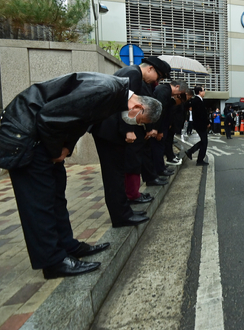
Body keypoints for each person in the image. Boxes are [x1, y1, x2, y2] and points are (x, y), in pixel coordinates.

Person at [0, 72, 162, 279]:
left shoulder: (114, 95)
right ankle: (53, 262)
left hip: (42, 137)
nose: (136, 125)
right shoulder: (107, 91)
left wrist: (66, 148)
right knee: (39, 202)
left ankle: (67, 245)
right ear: (138, 107)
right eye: (140, 121)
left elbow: (78, 121)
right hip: (26, 134)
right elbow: (49, 117)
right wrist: (54, 152)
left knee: (56, 195)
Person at [91, 56, 170, 228]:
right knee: (114, 176)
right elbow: (126, 106)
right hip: (109, 131)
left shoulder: (129, 72)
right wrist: (128, 130)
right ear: (150, 69)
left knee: (118, 174)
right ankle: (121, 217)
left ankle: (125, 212)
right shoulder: (133, 74)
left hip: (108, 130)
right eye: (158, 77)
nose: (157, 81)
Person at [151, 80, 188, 177]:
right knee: (158, 149)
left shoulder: (166, 92)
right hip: (158, 127)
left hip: (162, 126)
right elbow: (160, 112)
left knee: (160, 147)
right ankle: (159, 170)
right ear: (177, 86)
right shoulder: (163, 91)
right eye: (179, 92)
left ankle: (161, 168)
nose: (179, 95)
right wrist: (158, 130)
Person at [185, 86, 211, 165]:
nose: (204, 92)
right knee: (204, 142)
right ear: (199, 92)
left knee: (203, 141)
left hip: (199, 124)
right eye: (203, 90)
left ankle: (191, 151)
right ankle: (199, 159)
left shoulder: (198, 100)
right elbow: (201, 114)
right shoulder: (197, 101)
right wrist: (207, 123)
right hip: (200, 124)